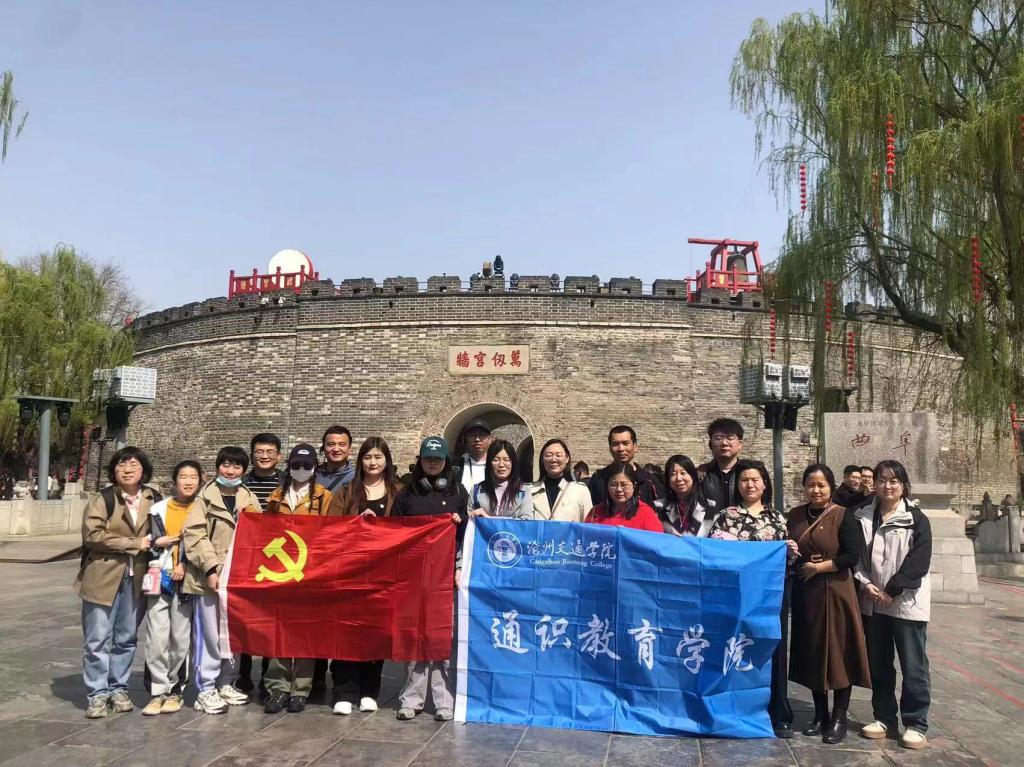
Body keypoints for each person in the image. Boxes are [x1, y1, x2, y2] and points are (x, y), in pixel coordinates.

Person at [708, 458, 798, 738]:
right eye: (744, 479)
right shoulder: (726, 516)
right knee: (734, 648)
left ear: (765, 484)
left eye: (755, 479)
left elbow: (788, 563)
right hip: (736, 597)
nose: (750, 484)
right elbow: (714, 554)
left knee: (772, 650)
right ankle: (733, 708)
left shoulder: (778, 518)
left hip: (770, 597)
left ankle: (778, 713)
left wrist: (791, 551)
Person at [787, 464, 871, 744]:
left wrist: (819, 567)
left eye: (821, 485)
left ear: (831, 487)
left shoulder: (843, 515)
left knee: (839, 654)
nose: (816, 490)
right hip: (807, 594)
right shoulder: (795, 516)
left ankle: (839, 717)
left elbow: (851, 555)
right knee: (813, 653)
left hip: (836, 592)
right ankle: (820, 713)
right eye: (811, 484)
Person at [75, 447, 159, 719]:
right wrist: (134, 543)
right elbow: (93, 535)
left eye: (133, 464)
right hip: (102, 576)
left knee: (126, 638)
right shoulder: (103, 499)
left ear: (143, 470)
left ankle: (118, 688)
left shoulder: (154, 498)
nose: (127, 469)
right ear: (113, 471)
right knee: (97, 639)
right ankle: (97, 693)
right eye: (121, 465)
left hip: (137, 578)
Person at [853, 460, 932, 750]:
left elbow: (919, 561)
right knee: (879, 664)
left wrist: (893, 590)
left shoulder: (916, 519)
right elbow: (856, 555)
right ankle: (884, 717)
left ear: (904, 485)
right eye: (882, 480)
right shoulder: (862, 515)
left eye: (894, 481)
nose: (887, 486)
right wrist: (865, 582)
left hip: (906, 603)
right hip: (873, 601)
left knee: (914, 666)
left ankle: (916, 723)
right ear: (874, 483)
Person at [392, 436, 468, 722]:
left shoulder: (458, 491)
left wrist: (460, 522)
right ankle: (411, 699)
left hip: (446, 575)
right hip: (414, 575)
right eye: (428, 459)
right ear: (420, 461)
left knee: (443, 637)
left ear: (446, 461)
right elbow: (394, 533)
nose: (433, 463)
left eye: (437, 459)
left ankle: (444, 700)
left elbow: (468, 535)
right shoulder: (407, 495)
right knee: (415, 637)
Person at [326, 436, 403, 716]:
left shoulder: (399, 491)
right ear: (360, 461)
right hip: (351, 571)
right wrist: (355, 523)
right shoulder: (347, 491)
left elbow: (408, 526)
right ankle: (344, 691)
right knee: (346, 631)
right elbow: (329, 528)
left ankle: (369, 691)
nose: (373, 462)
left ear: (387, 461)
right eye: (368, 457)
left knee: (375, 632)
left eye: (378, 457)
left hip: (383, 572)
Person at [183, 446, 262, 714]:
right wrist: (211, 569)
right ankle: (205, 687)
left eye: (237, 466)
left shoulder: (248, 497)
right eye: (226, 465)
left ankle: (226, 681)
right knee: (208, 634)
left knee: (231, 632)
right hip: (208, 578)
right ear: (217, 467)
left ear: (244, 470)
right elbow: (195, 536)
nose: (230, 471)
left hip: (237, 578)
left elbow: (258, 535)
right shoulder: (204, 498)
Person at [262, 443, 335, 714]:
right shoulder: (276, 496)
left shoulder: (324, 497)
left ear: (315, 467)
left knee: (305, 632)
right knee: (279, 631)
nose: (301, 469)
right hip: (281, 571)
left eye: (306, 465)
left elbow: (331, 532)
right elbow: (264, 531)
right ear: (289, 466)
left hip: (310, 572)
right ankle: (277, 687)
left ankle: (300, 689)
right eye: (296, 465)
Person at [141, 460, 203, 716]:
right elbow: (150, 544)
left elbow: (202, 542)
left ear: (200, 481)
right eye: (183, 477)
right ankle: (158, 690)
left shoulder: (202, 508)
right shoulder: (158, 508)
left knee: (180, 636)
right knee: (156, 635)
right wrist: (159, 543)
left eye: (193, 477)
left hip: (187, 580)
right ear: (175, 480)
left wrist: (185, 564)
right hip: (160, 577)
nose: (188, 481)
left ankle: (176, 688)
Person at [237, 432, 285, 694]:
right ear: (252, 455)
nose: (264, 456)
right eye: (259, 452)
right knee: (244, 617)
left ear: (279, 456)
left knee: (270, 620)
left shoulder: (287, 483)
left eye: (269, 452)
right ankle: (243, 675)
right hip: (246, 557)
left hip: (276, 559)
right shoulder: (241, 484)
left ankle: (269, 676)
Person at [588, 425, 662, 507]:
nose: (621, 449)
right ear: (610, 448)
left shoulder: (649, 480)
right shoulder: (599, 478)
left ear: (635, 446)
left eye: (625, 443)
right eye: (615, 444)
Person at [585, 462, 663, 532]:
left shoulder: (646, 514)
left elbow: (656, 541)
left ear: (634, 486)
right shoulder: (595, 513)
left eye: (624, 485)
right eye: (613, 485)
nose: (618, 489)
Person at [529, 439, 593, 522]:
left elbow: (588, 525)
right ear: (542, 460)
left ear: (567, 458)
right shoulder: (529, 491)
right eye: (548, 455)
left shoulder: (580, 491)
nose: (553, 459)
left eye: (558, 455)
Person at [469, 440, 534, 519]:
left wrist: (488, 518)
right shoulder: (476, 490)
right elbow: (470, 521)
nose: (501, 464)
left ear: (513, 463)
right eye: (496, 460)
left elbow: (526, 521)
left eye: (506, 460)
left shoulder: (524, 491)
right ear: (489, 463)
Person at [654, 455, 714, 536]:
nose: (678, 478)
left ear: (693, 476)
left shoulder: (710, 506)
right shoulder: (658, 507)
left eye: (683, 473)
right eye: (673, 474)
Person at [699, 418, 744, 514]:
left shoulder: (749, 473)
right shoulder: (700, 475)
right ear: (710, 444)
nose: (724, 443)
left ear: (740, 444)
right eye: (718, 438)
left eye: (730, 438)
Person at [453, 418, 492, 496]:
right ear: (465, 439)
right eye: (472, 435)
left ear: (489, 439)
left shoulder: (496, 466)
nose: (477, 439)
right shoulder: (456, 466)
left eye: (481, 435)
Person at [316, 425, 355, 492]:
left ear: (350, 449)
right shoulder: (312, 475)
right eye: (331, 444)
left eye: (342, 444)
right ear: (323, 448)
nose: (336, 449)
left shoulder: (357, 477)